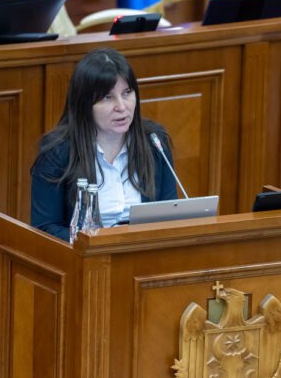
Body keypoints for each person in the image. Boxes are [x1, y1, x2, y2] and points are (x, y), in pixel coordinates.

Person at [30, 47, 178, 241]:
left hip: (144, 252)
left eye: (127, 92)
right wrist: (97, 243)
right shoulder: (57, 152)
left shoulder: (154, 141)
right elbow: (45, 228)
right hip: (86, 255)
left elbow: (170, 215)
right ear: (84, 104)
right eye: (108, 97)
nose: (122, 107)